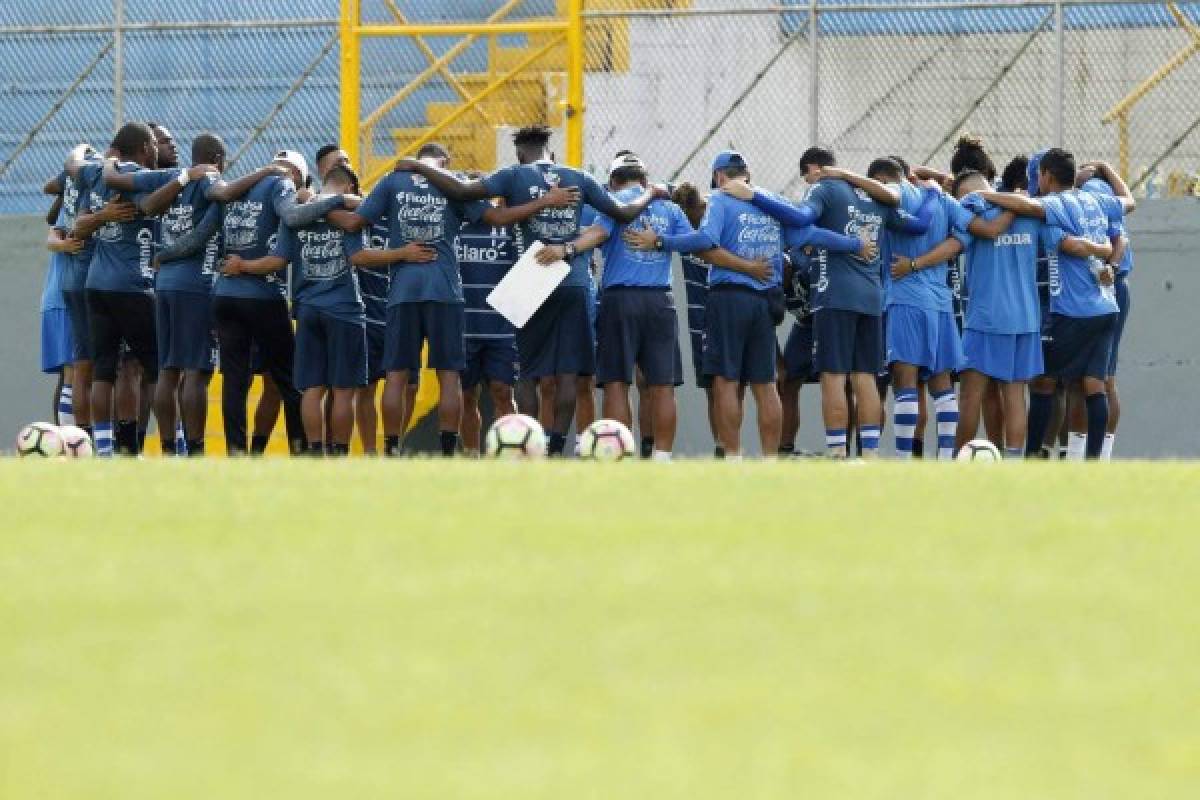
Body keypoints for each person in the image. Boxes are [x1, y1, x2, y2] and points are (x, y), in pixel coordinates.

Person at [392, 126, 664, 457]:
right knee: (568, 371)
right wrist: (652, 193)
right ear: (551, 153)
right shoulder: (577, 177)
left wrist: (422, 166)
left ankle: (528, 446)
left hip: (530, 279)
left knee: (530, 373)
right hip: (573, 279)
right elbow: (622, 213)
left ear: (521, 154)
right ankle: (555, 447)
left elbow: (463, 192)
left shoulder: (514, 175)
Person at [979, 148, 1121, 459]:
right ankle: (1095, 462)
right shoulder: (1094, 200)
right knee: (1094, 385)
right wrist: (1107, 251)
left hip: (1074, 309)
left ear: (1046, 176)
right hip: (1106, 307)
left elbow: (1027, 207)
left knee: (1043, 382)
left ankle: (1030, 457)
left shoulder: (1055, 204)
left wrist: (986, 195)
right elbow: (1125, 207)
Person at [223, 164, 369, 456]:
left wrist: (243, 266)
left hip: (308, 309)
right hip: (344, 309)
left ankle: (314, 450)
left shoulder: (298, 215)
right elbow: (359, 257)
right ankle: (339, 452)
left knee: (311, 388)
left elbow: (278, 260)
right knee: (343, 390)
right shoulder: (349, 216)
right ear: (349, 189)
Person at [68, 123, 161, 456]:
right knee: (153, 368)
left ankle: (105, 449)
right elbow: (152, 206)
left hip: (96, 283)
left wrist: (101, 215)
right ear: (142, 147)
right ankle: (156, 447)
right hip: (133, 284)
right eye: (152, 144)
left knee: (104, 368)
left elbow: (78, 225)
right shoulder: (135, 176)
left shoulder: (95, 173)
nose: (155, 150)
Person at [1078, 164, 1135, 460]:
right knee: (1097, 379)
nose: (1080, 170)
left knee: (1101, 378)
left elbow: (1121, 239)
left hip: (1105, 290)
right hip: (1105, 290)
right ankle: (1095, 454)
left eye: (1084, 169)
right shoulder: (1091, 194)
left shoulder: (1095, 191)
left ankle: (1098, 454)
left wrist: (1103, 168)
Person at [457, 207, 519, 456]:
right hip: (462, 329)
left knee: (502, 392)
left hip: (502, 329)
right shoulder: (454, 225)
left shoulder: (509, 228)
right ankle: (471, 454)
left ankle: (509, 454)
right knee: (466, 395)